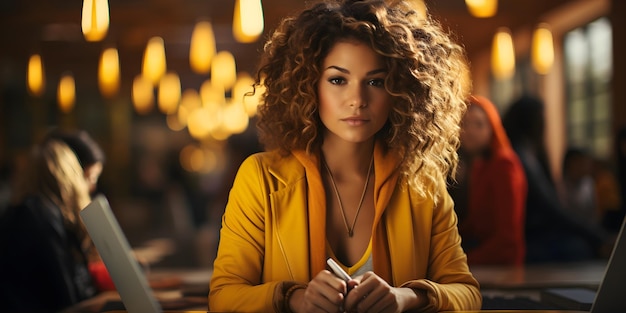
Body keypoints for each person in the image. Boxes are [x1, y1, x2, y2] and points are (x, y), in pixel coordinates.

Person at [209, 0, 482, 312]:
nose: (357, 100)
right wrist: (294, 299)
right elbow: (223, 298)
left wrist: (406, 298)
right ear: (309, 85)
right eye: (338, 80)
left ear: (401, 91)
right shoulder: (261, 179)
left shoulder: (423, 182)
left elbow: (467, 293)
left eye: (376, 81)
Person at [0, 129, 111, 311]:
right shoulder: (43, 216)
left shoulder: (27, 209)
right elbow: (69, 298)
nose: (90, 187)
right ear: (69, 176)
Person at [502, 95, 608, 263]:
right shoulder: (520, 156)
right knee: (579, 249)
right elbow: (550, 208)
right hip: (530, 238)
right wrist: (597, 236)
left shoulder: (527, 153)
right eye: (542, 117)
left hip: (537, 233)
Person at [451, 95, 527, 265]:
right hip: (482, 252)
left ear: (492, 127)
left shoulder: (504, 165)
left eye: (478, 124)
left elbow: (508, 240)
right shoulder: (477, 165)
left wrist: (462, 262)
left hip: (500, 262)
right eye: (464, 124)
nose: (469, 131)